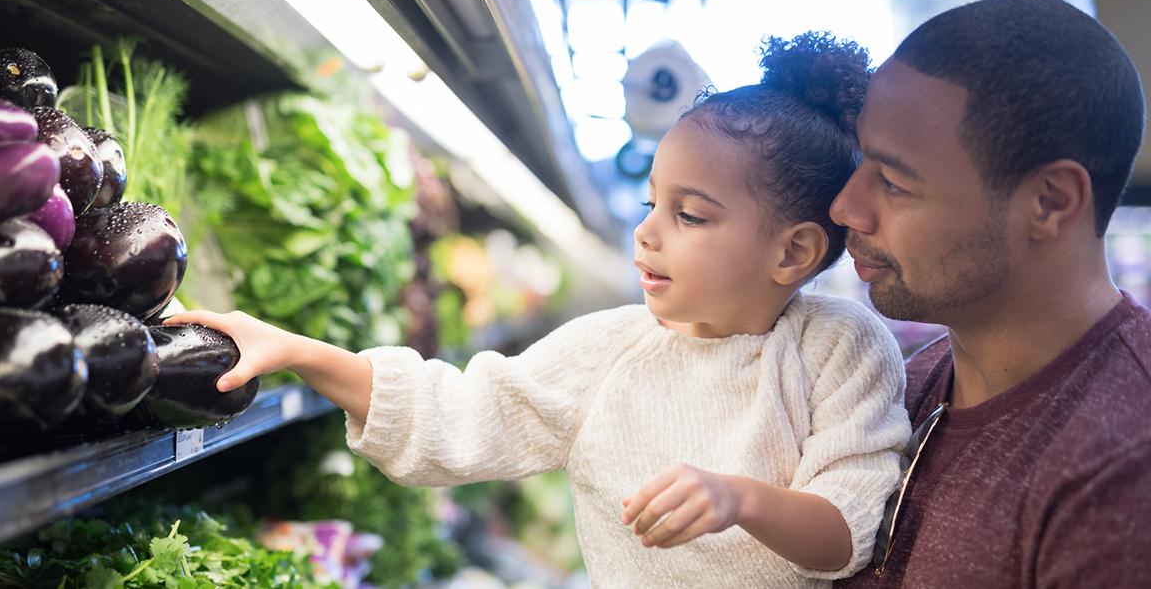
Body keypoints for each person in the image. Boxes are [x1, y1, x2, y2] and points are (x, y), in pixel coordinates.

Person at [166, 32, 911, 587]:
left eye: (691, 215)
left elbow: (848, 532)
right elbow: (452, 411)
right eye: (653, 202)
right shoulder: (610, 350)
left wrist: (738, 497)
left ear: (793, 253)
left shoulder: (842, 347)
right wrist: (298, 349)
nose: (646, 230)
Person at [829, 0, 1151, 588]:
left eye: (894, 182)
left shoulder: (1123, 465)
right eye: (859, 162)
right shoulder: (908, 382)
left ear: (1050, 202)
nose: (845, 206)